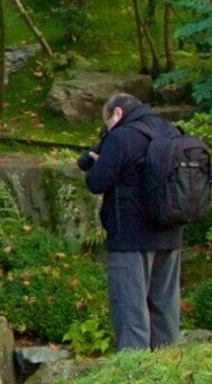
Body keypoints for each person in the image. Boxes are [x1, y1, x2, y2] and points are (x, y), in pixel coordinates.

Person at [76, 92, 184, 351]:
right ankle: (167, 379)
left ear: (117, 113)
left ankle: (132, 381)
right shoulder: (171, 131)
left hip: (130, 239)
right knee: (165, 312)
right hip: (170, 234)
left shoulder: (122, 137)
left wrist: (101, 152)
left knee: (131, 314)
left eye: (107, 122)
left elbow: (95, 182)